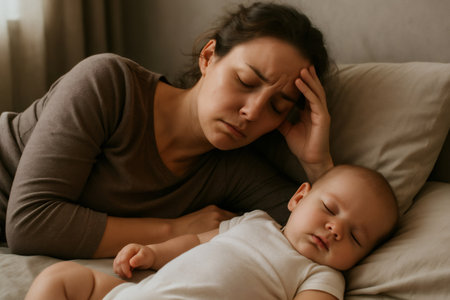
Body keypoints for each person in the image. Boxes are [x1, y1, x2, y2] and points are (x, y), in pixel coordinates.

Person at [1, 2, 333, 258]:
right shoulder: (109, 85)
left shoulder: (234, 170)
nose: (251, 111)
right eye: (245, 81)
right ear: (208, 57)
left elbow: (315, 231)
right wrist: (175, 229)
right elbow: (30, 224)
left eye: (277, 106)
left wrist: (317, 162)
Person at [25, 165, 399, 300]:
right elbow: (195, 241)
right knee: (60, 278)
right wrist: (154, 253)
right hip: (141, 294)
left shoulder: (321, 275)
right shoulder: (253, 221)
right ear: (298, 198)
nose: (335, 229)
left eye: (355, 237)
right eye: (330, 209)